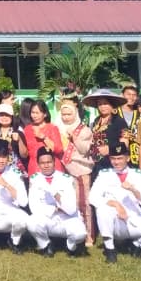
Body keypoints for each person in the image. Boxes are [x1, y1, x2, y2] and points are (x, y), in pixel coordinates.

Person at [88, 142, 141, 264]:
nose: (116, 162)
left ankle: (137, 246)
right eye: (113, 158)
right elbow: (92, 197)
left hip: (133, 219)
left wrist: (134, 190)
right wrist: (115, 204)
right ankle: (110, 250)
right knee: (103, 209)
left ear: (127, 158)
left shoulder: (138, 175)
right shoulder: (104, 174)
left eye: (120, 158)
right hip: (114, 221)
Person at [27, 146, 86, 257]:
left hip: (67, 218)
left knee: (80, 234)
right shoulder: (34, 179)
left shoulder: (66, 179)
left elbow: (71, 209)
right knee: (32, 222)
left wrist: (55, 194)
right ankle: (46, 246)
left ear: (54, 162)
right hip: (48, 218)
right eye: (42, 163)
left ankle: (71, 247)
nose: (46, 165)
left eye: (49, 162)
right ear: (38, 164)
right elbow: (34, 207)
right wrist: (55, 208)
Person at [58, 95, 96, 246]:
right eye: (63, 114)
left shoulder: (84, 130)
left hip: (80, 170)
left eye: (69, 114)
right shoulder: (58, 128)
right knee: (68, 202)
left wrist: (74, 137)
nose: (66, 117)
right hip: (64, 171)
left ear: (75, 114)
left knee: (83, 203)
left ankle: (88, 235)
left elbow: (84, 149)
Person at [22, 100, 63, 174]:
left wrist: (43, 137)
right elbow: (25, 152)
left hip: (52, 168)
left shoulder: (52, 128)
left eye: (37, 113)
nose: (34, 116)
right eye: (32, 112)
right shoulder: (27, 129)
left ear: (45, 114)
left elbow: (58, 150)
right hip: (34, 168)